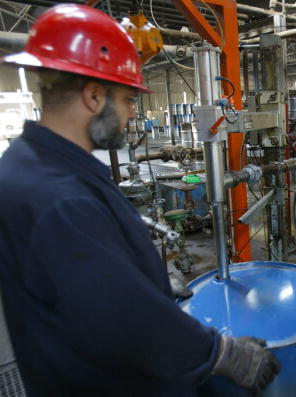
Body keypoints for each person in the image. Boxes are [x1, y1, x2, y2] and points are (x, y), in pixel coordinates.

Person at [0, 4, 279, 397]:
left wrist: (145, 278)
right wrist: (221, 353)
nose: (134, 115)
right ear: (94, 95)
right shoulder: (58, 196)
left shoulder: (33, 164)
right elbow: (125, 324)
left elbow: (83, 283)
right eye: (129, 100)